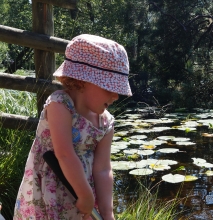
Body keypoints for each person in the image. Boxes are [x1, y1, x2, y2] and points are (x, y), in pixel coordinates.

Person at [14, 34, 132, 220]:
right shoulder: (60, 105)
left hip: (82, 199)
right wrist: (85, 194)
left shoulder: (105, 123)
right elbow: (64, 154)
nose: (116, 96)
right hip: (49, 192)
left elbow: (103, 169)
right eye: (109, 88)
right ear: (81, 80)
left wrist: (107, 212)